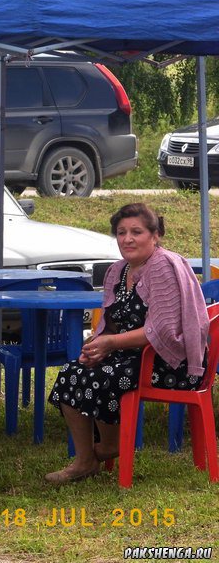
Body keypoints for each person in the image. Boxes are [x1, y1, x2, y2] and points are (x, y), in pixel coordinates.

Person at [46, 203, 208, 485]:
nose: (127, 239)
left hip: (169, 362)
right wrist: (96, 345)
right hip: (131, 356)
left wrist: (110, 344)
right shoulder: (118, 271)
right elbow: (110, 322)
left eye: (137, 231)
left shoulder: (162, 267)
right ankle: (85, 461)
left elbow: (162, 331)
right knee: (72, 373)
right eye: (121, 233)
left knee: (106, 373)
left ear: (155, 235)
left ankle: (109, 446)